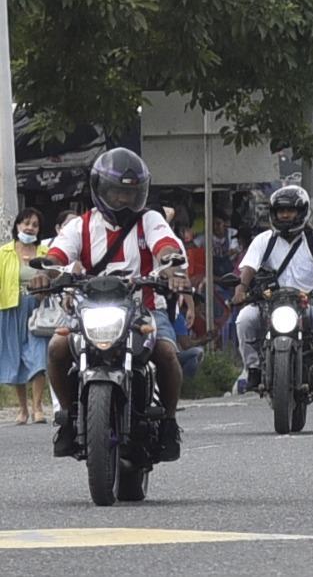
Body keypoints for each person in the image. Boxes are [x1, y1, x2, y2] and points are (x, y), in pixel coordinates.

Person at [38, 149, 188, 460]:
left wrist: (171, 266)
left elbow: (166, 245)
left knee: (166, 352)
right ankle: (66, 418)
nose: (122, 199)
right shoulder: (81, 224)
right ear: (100, 190)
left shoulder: (150, 219)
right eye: (117, 191)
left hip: (142, 307)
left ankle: (170, 422)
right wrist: (48, 271)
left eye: (129, 192)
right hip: (89, 309)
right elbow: (58, 254)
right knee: (55, 348)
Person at [232, 186, 313, 396]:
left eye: (290, 210)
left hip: (307, 301)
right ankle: (252, 368)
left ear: (301, 212)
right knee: (244, 319)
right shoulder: (264, 240)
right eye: (281, 210)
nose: (284, 214)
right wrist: (241, 289)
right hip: (269, 302)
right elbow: (249, 268)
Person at [1, 208, 50, 425]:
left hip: (38, 310)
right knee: (16, 359)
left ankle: (38, 406)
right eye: (26, 223)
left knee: (38, 357)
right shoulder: (5, 252)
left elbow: (56, 276)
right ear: (17, 226)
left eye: (34, 224)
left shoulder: (46, 252)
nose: (29, 228)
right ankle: (22, 409)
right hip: (11, 310)